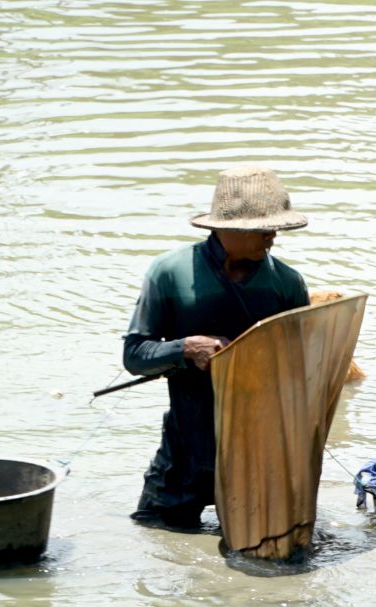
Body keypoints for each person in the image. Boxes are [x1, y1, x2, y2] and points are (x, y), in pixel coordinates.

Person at [124, 166, 311, 529]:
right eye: (264, 228)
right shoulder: (170, 273)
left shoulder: (287, 284)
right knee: (155, 536)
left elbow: (301, 373)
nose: (273, 236)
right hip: (185, 451)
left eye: (277, 228)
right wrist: (184, 348)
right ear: (228, 227)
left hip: (258, 455)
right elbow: (134, 356)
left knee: (262, 557)